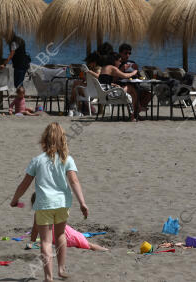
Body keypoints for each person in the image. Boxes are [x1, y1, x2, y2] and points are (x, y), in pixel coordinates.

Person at [10, 122, 88, 282]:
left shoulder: (37, 160)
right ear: (62, 140)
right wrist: (82, 202)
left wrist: (15, 199)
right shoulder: (67, 159)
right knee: (60, 235)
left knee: (45, 240)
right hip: (62, 203)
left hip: (44, 204)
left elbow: (24, 183)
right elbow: (74, 181)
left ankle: (48, 277)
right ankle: (61, 269)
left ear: (44, 139)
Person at [29, 192, 107, 251]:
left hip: (67, 236)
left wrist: (32, 243)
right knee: (87, 244)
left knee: (88, 245)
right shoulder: (48, 211)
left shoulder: (40, 213)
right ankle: (103, 249)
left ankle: (104, 250)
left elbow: (35, 229)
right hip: (62, 235)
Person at [99, 52, 140, 120]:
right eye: (119, 61)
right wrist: (134, 72)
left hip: (103, 94)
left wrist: (112, 84)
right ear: (114, 61)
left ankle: (134, 113)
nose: (120, 63)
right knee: (131, 88)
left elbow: (103, 81)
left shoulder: (104, 67)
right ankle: (134, 113)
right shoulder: (112, 68)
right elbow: (125, 75)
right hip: (109, 94)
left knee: (130, 92)